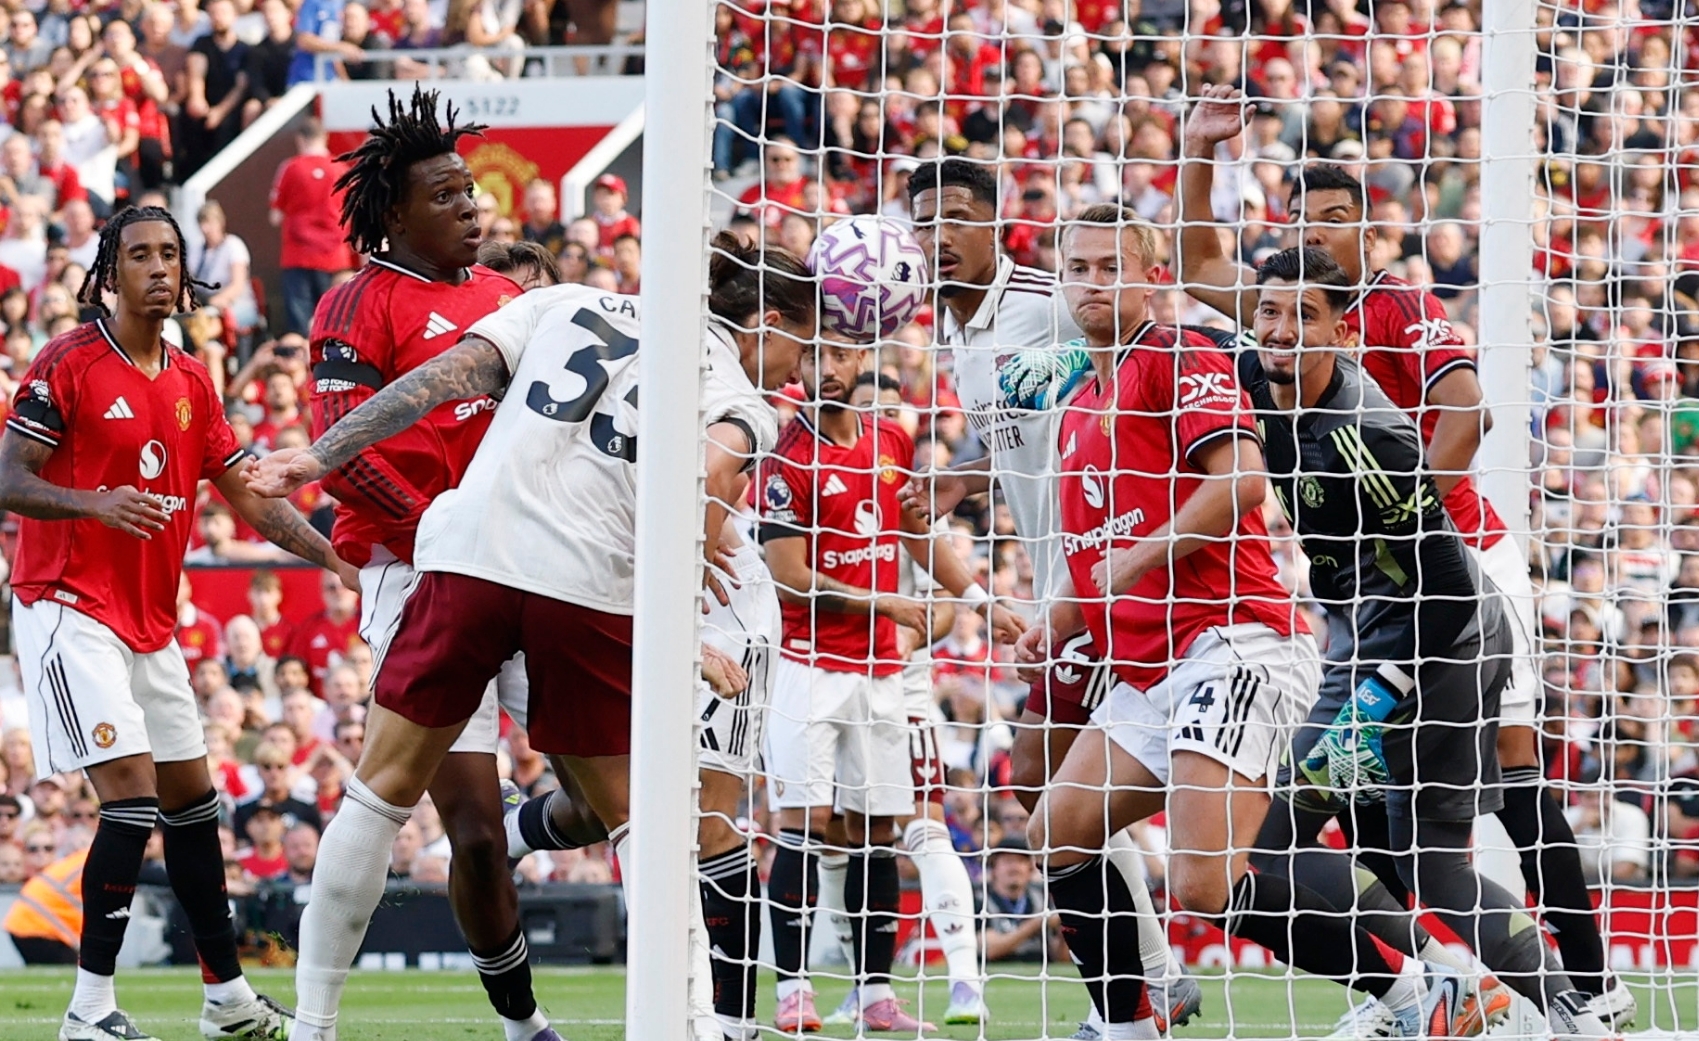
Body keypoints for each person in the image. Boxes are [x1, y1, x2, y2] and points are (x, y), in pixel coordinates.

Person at [245, 232, 822, 1041]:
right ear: (762, 320)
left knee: (377, 796)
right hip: (584, 587)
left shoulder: (563, 301)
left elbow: (438, 380)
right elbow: (713, 468)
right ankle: (688, 1023)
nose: (796, 371)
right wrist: (688, 566)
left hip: (468, 554)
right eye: (797, 344)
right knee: (638, 822)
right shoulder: (740, 397)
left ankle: (312, 1027)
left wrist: (318, 454)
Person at [1177, 83, 1628, 1029]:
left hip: (1448, 586)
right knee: (1397, 846)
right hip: (1372, 613)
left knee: (1492, 785)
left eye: (1336, 222)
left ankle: (1575, 987)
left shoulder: (1388, 334)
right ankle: (1439, 989)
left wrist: (1398, 516)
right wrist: (1197, 153)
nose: (1279, 325)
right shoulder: (1266, 344)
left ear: (1364, 244)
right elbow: (1195, 265)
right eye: (1300, 220)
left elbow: (1468, 417)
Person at [1015, 207, 1468, 1041]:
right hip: (1153, 663)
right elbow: (1094, 544)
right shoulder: (1081, 396)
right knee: (1058, 831)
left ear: (1151, 277)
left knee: (1203, 882)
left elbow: (1241, 484)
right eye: (1075, 267)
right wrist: (1058, 617)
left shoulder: (1177, 354)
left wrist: (1139, 558)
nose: (1089, 281)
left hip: (1233, 640)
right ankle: (1130, 1017)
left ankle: (1417, 991)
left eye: (1110, 265)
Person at [0, 205, 353, 1040]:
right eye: (140, 255)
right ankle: (88, 1013)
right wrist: (94, 502)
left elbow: (244, 492)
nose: (159, 268)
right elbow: (7, 475)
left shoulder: (192, 379)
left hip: (148, 625)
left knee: (194, 804)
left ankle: (226, 997)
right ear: (108, 272)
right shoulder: (68, 363)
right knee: (131, 799)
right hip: (66, 605)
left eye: (170, 254)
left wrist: (328, 555)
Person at [262, 84, 561, 1041]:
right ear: (394, 212)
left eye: (471, 189)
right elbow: (337, 452)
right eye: (445, 195)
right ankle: (499, 1024)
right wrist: (436, 523)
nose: (472, 205)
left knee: (615, 793)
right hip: (418, 570)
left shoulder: (509, 301)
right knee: (464, 823)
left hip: (531, 565)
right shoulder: (355, 305)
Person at [900, 156, 1198, 1036]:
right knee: (1048, 786)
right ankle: (1154, 976)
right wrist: (961, 477)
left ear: (997, 228)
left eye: (957, 216)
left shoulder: (1046, 303)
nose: (938, 235)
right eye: (925, 221)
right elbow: (1034, 428)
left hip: (1112, 579)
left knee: (1048, 782)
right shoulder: (961, 334)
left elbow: (1135, 369)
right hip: (1065, 587)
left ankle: (1149, 984)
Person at [759, 326, 1024, 1035]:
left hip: (880, 672)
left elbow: (915, 538)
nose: (828, 368)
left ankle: (875, 994)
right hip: (806, 667)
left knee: (880, 832)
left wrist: (977, 602)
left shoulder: (890, 443)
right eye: (814, 355)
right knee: (805, 830)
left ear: (860, 361)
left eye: (840, 355)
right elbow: (787, 577)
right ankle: (792, 990)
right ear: (798, 364)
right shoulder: (784, 460)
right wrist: (883, 602)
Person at [832, 371, 983, 1027]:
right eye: (867, 407)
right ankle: (864, 984)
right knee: (837, 839)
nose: (876, 419)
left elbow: (949, 601)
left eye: (887, 409)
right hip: (835, 685)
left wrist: (901, 631)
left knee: (922, 828)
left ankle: (964, 982)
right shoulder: (827, 479)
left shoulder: (911, 498)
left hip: (904, 692)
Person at [270, 120, 353, 337]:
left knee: (300, 327)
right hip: (334, 257)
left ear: (300, 139)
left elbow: (275, 216)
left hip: (298, 255)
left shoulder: (291, 167)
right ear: (324, 137)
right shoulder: (342, 170)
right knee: (335, 323)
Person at [182, 0, 249, 180]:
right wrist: (197, 98)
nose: (217, 18)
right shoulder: (201, 43)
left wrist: (219, 112)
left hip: (230, 108)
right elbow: (196, 72)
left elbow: (240, 86)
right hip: (206, 104)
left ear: (234, 17)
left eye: (222, 13)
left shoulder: (245, 50)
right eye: (213, 14)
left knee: (226, 129)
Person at [187, 200, 258, 331]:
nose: (206, 229)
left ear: (220, 223)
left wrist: (215, 301)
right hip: (204, 302)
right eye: (202, 223)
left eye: (209, 223)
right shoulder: (196, 250)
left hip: (236, 304)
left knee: (210, 324)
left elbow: (238, 285)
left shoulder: (233, 246)